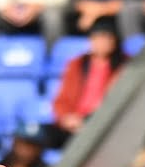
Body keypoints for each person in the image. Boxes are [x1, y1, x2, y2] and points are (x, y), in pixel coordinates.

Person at [50, 18, 127, 147]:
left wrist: (91, 120)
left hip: (101, 122)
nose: (101, 42)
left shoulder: (124, 65)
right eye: (96, 38)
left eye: (106, 38)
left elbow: (114, 101)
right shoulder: (77, 64)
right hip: (74, 122)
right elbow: (62, 100)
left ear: (115, 41)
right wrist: (66, 119)